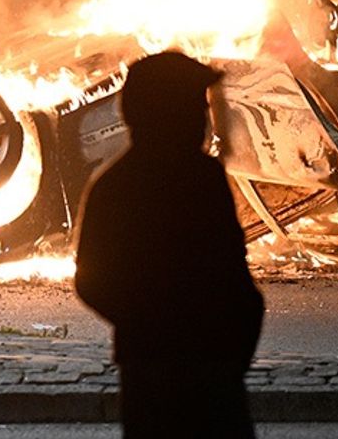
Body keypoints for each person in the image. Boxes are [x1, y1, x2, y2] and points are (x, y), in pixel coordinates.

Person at [74, 52, 264, 438]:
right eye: (194, 107)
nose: (204, 120)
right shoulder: (191, 182)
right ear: (163, 113)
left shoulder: (116, 185)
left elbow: (91, 282)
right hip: (181, 370)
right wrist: (161, 323)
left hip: (175, 366)